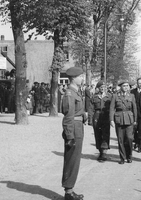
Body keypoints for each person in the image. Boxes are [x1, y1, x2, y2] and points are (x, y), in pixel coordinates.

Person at [61, 67, 86, 200]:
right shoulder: (70, 93)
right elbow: (68, 116)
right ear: (73, 78)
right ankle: (68, 191)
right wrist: (69, 135)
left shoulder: (76, 92)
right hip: (74, 129)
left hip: (78, 127)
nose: (82, 79)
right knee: (72, 159)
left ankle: (69, 190)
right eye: (80, 77)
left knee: (75, 159)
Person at [110, 81, 137, 164]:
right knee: (120, 139)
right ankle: (122, 158)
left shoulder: (131, 96)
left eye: (127, 86)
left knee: (129, 138)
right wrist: (111, 120)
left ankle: (129, 156)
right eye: (124, 86)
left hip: (129, 119)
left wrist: (135, 120)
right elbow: (112, 108)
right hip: (119, 119)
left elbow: (134, 108)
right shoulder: (115, 96)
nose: (126, 87)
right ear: (120, 87)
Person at [89, 80, 112, 161]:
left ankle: (104, 153)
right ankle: (100, 151)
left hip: (106, 116)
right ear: (98, 88)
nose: (103, 88)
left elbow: (112, 108)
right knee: (98, 134)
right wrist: (90, 119)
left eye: (104, 87)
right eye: (101, 87)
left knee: (105, 134)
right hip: (97, 116)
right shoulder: (94, 97)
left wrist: (112, 118)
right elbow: (90, 109)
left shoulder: (109, 96)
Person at [130, 78, 141, 152]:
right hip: (134, 114)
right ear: (137, 83)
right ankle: (136, 142)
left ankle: (140, 146)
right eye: (139, 83)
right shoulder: (132, 92)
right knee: (134, 130)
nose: (140, 84)